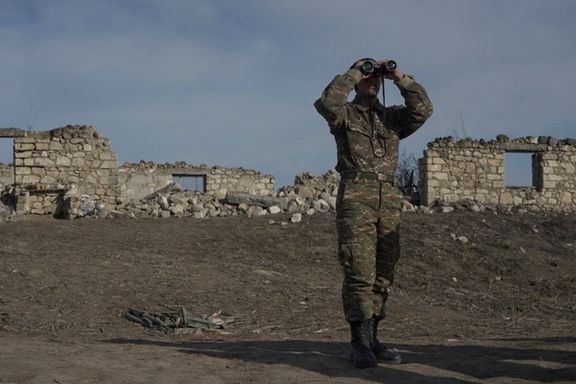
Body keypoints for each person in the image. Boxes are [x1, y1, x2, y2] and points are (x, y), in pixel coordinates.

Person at [314, 58, 433, 369]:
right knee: (359, 270)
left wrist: (399, 77)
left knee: (384, 272)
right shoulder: (345, 114)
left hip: (389, 199)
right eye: (367, 76)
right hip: (356, 197)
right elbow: (327, 101)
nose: (371, 80)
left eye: (374, 77)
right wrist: (355, 70)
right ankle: (359, 342)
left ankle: (373, 337)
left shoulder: (392, 118)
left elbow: (423, 109)